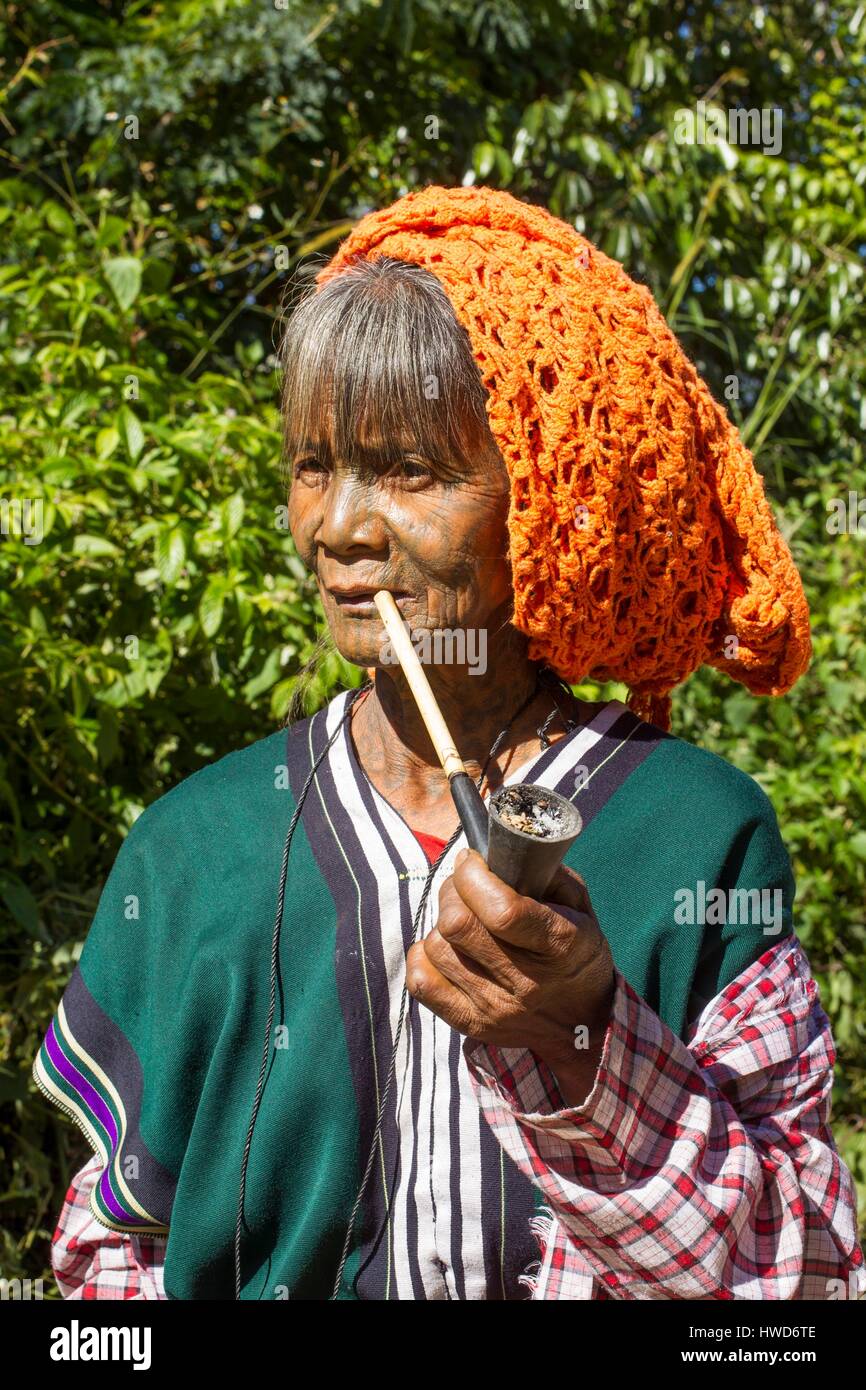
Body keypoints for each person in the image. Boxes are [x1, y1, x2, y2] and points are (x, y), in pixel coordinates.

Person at [33, 185, 864, 1301]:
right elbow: (107, 1256)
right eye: (314, 465)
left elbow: (802, 1279)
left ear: (546, 498)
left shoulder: (692, 842)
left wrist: (581, 1046)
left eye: (409, 472)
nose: (337, 528)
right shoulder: (194, 850)